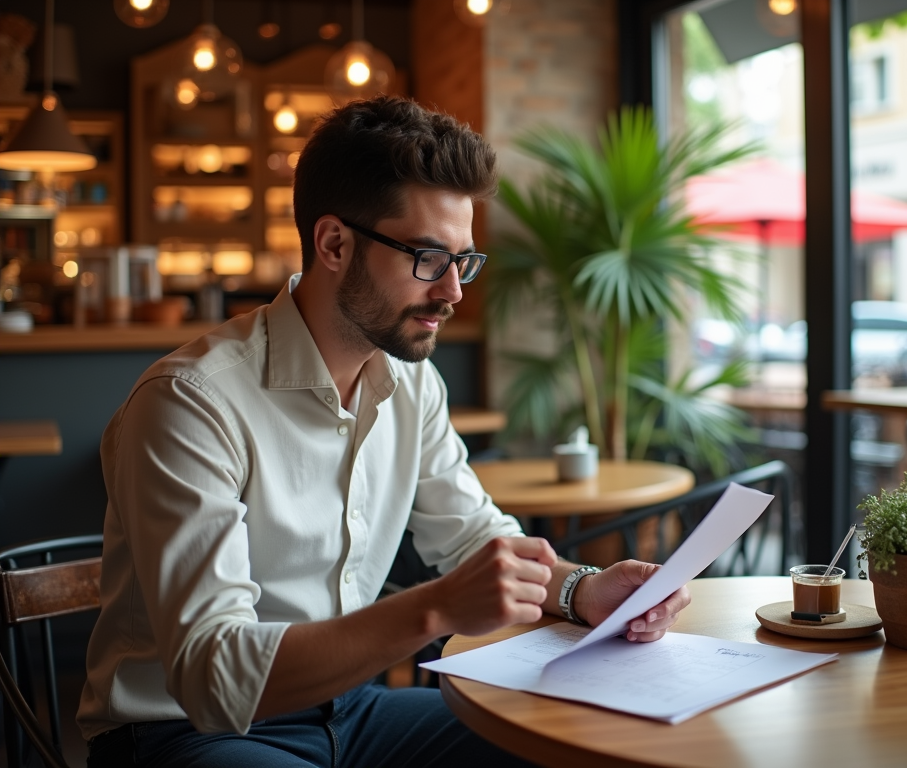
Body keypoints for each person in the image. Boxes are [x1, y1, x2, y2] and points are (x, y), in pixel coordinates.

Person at [78, 95, 691, 767]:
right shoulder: (190, 402)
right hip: (186, 732)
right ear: (334, 244)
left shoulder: (411, 382)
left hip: (353, 709)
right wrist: (434, 610)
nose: (455, 292)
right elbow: (214, 678)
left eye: (464, 259)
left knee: (575, 743)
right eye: (429, 258)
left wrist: (582, 589)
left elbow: (472, 539)